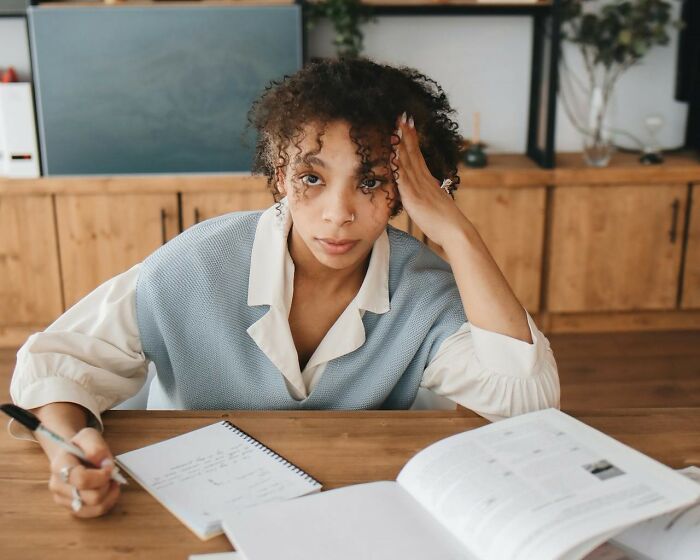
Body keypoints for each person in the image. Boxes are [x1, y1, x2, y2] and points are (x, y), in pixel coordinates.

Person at [8, 57, 559, 518]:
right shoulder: (196, 263)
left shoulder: (425, 290)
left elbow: (528, 404)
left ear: (410, 192)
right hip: (185, 507)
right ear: (279, 175)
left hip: (348, 513)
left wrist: (457, 232)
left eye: (371, 182)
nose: (337, 214)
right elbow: (56, 363)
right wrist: (65, 450)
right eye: (312, 178)